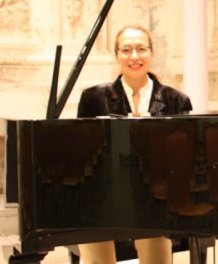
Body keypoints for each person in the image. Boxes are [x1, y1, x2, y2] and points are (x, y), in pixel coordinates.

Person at [76, 25, 192, 264]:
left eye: (141, 49)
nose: (134, 57)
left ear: (152, 53)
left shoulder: (176, 100)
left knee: (157, 246)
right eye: (126, 50)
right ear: (117, 55)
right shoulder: (93, 98)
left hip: (155, 199)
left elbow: (184, 159)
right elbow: (84, 154)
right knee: (93, 240)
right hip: (105, 197)